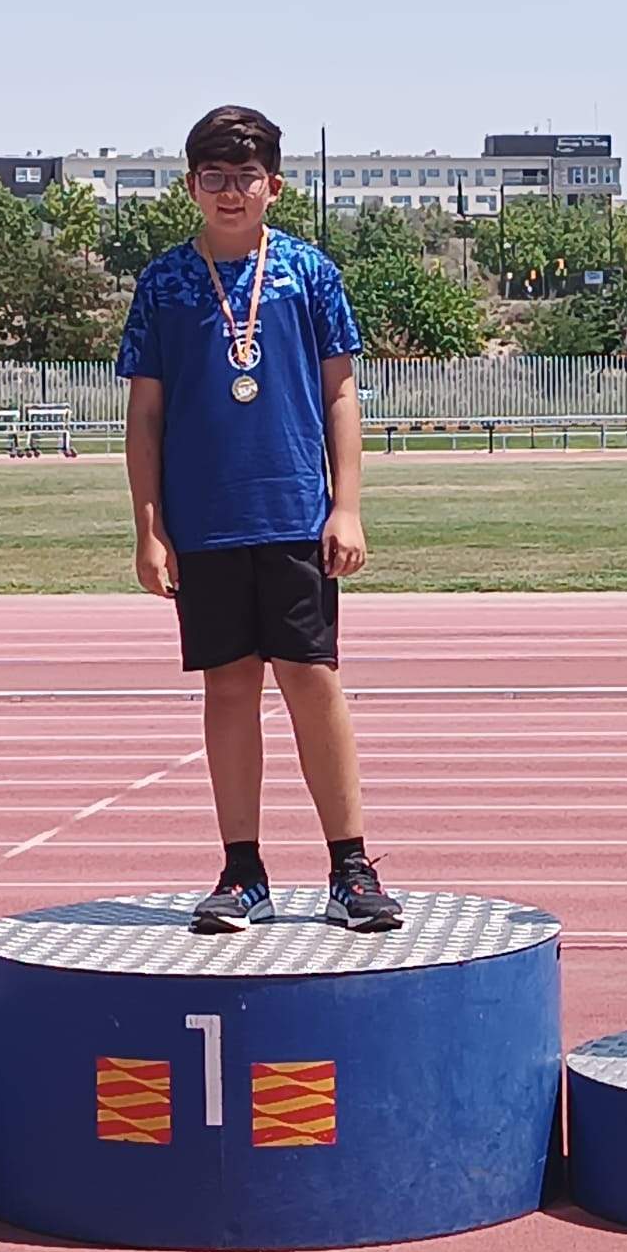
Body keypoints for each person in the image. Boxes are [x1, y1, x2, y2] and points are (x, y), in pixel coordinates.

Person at [116, 106, 401, 935]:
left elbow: (341, 394)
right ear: (191, 186)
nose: (230, 192)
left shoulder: (309, 272)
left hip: (295, 514)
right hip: (205, 521)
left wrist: (347, 505)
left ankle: (350, 866)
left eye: (245, 176)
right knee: (229, 687)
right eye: (214, 177)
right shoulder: (165, 282)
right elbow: (145, 416)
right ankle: (242, 870)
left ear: (274, 185)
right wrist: (148, 527)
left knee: (312, 679)